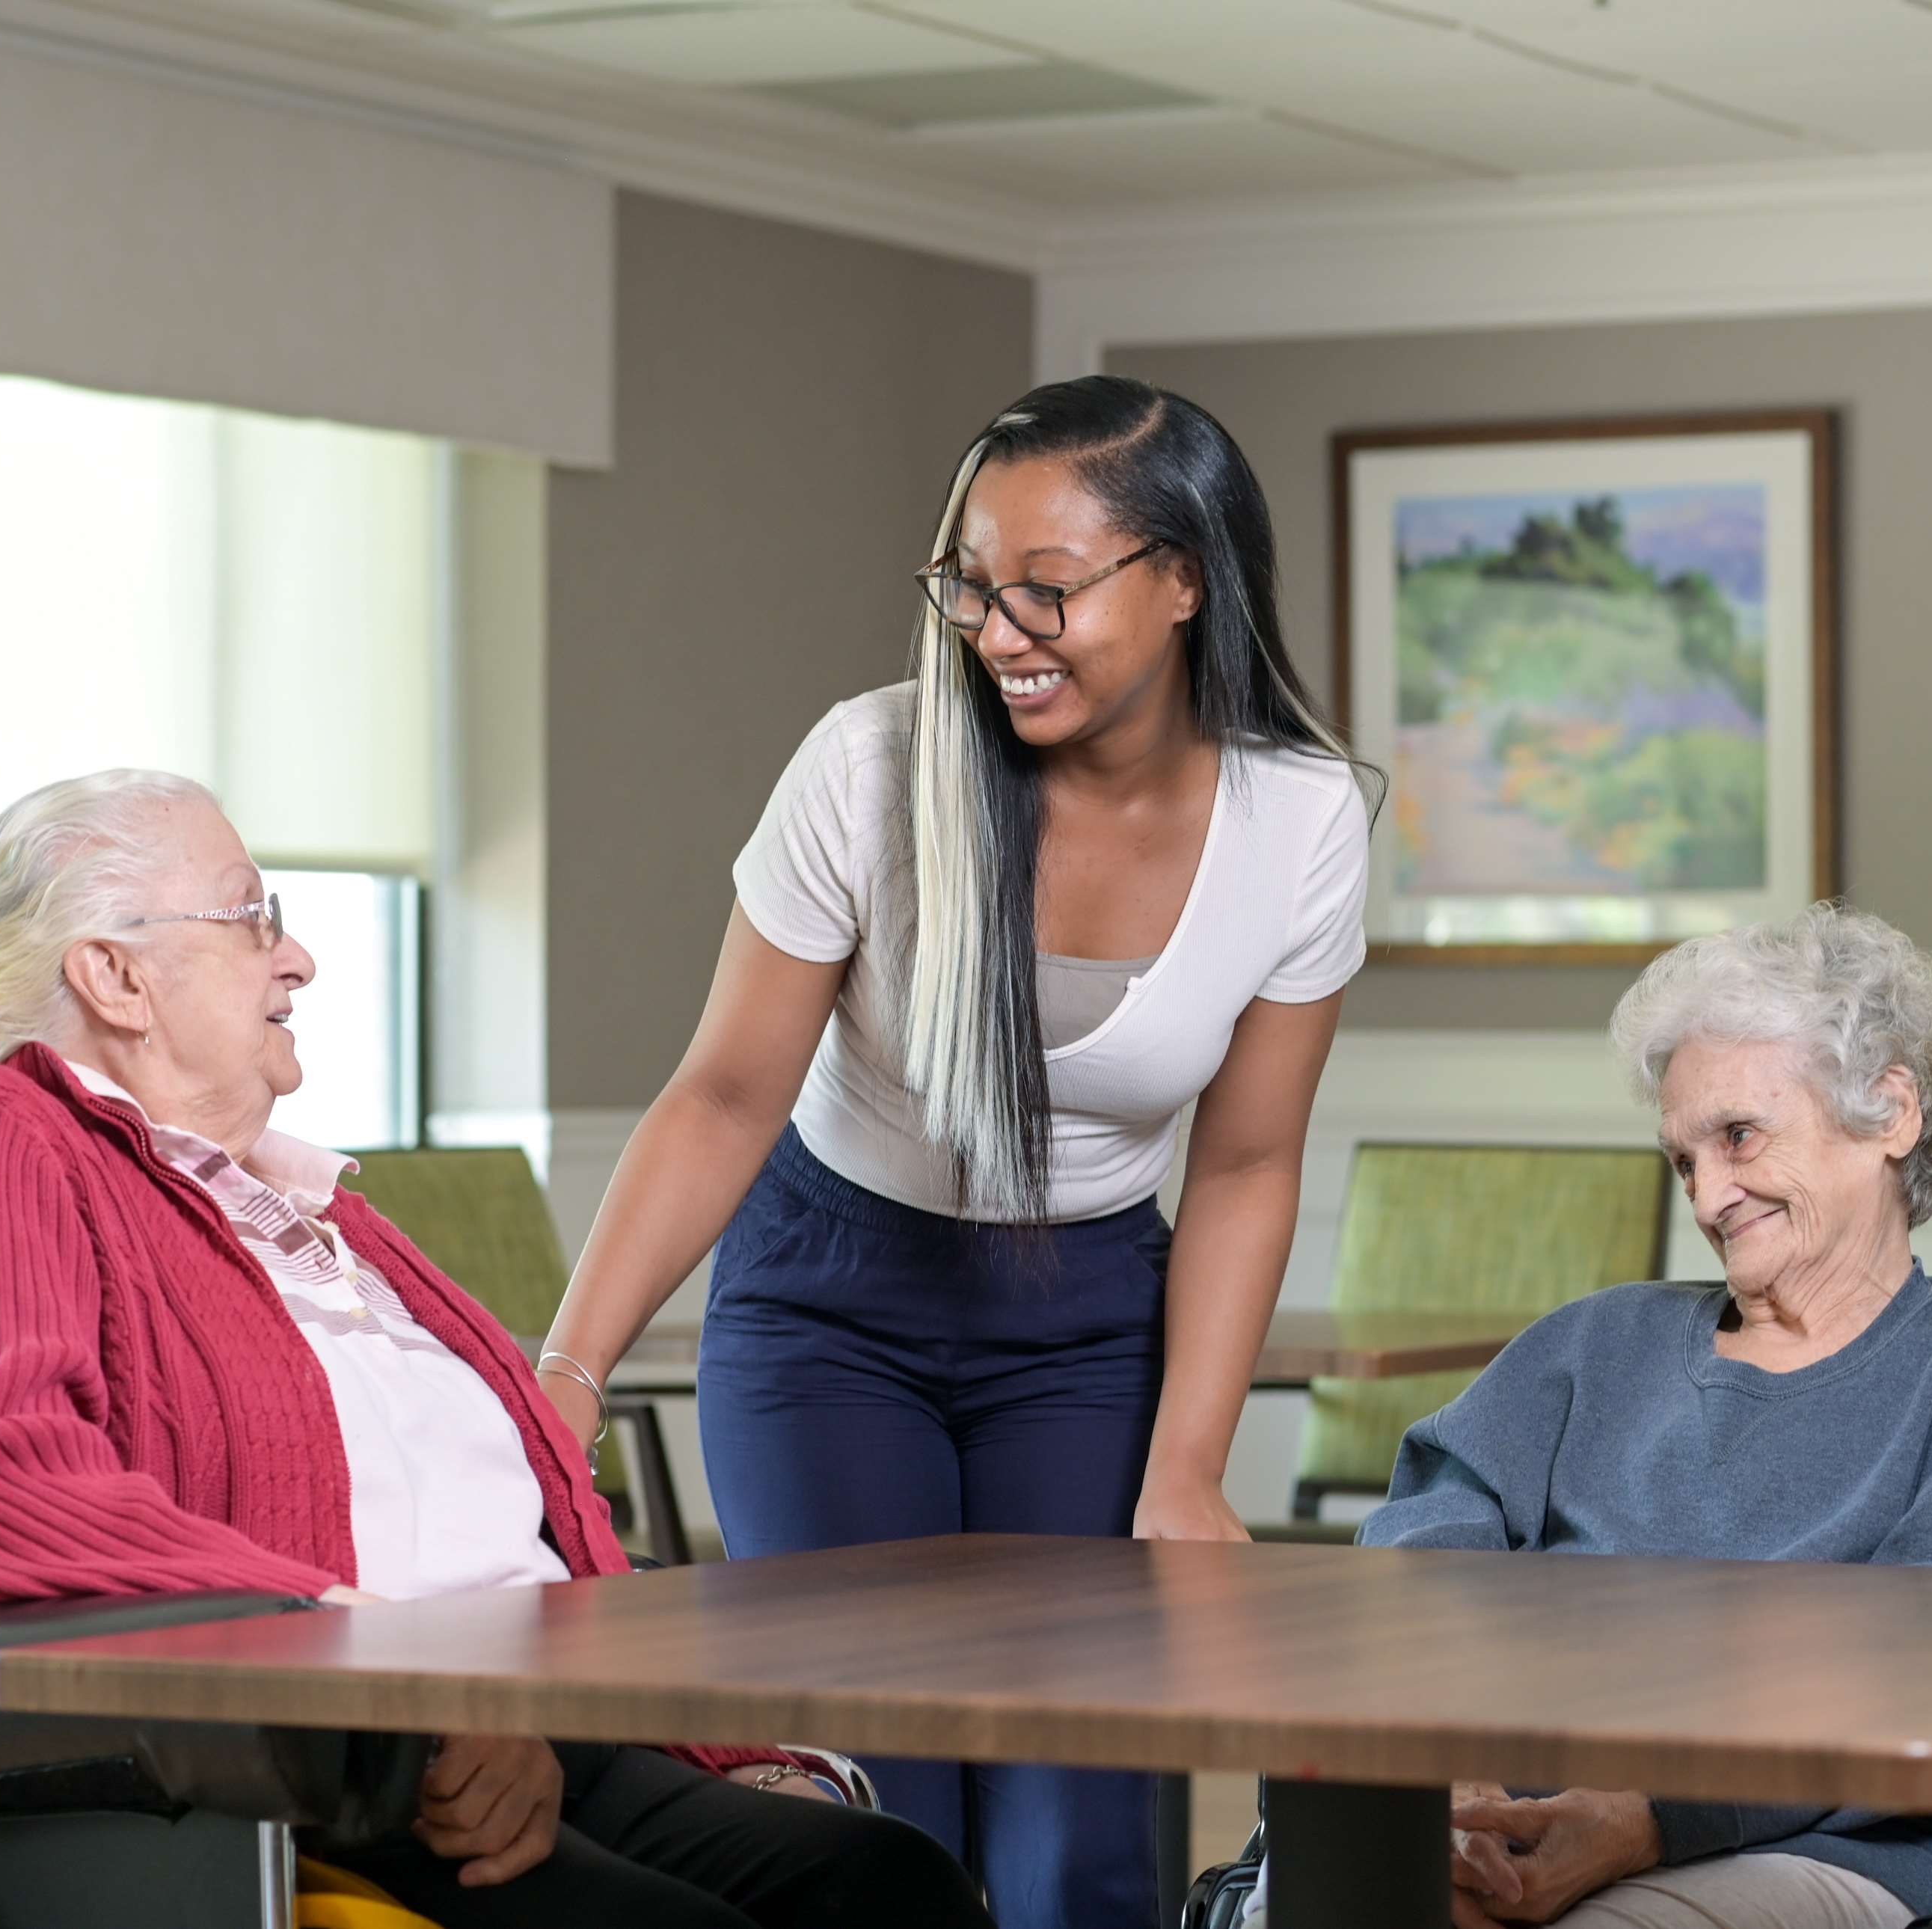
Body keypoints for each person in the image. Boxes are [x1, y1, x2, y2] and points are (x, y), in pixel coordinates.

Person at [0, 770, 993, 1929]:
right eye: (256, 918)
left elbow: (524, 1534)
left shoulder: (309, 1212)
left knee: (888, 1885)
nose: (297, 957)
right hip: (303, 1763)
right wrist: (402, 1691)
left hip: (535, 1725)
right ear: (114, 977)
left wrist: (726, 1759)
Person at [534, 374, 1371, 1926]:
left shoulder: (1299, 821)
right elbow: (724, 1095)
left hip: (1089, 1328)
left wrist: (1187, 1464)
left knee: (1082, 1826)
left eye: (1046, 589)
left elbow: (1248, 1165)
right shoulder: (868, 767)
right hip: (830, 1307)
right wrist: (566, 1380)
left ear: (1185, 580)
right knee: (874, 1810)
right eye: (971, 586)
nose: (999, 630)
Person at [1351, 904, 1932, 1929]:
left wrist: (1651, 1819)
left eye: (1738, 1137)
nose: (1709, 1197)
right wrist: (1442, 1760)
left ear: (1889, 1114)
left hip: (1812, 1847)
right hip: (1508, 1805)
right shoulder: (1596, 1344)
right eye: (1684, 1160)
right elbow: (1424, 1528)